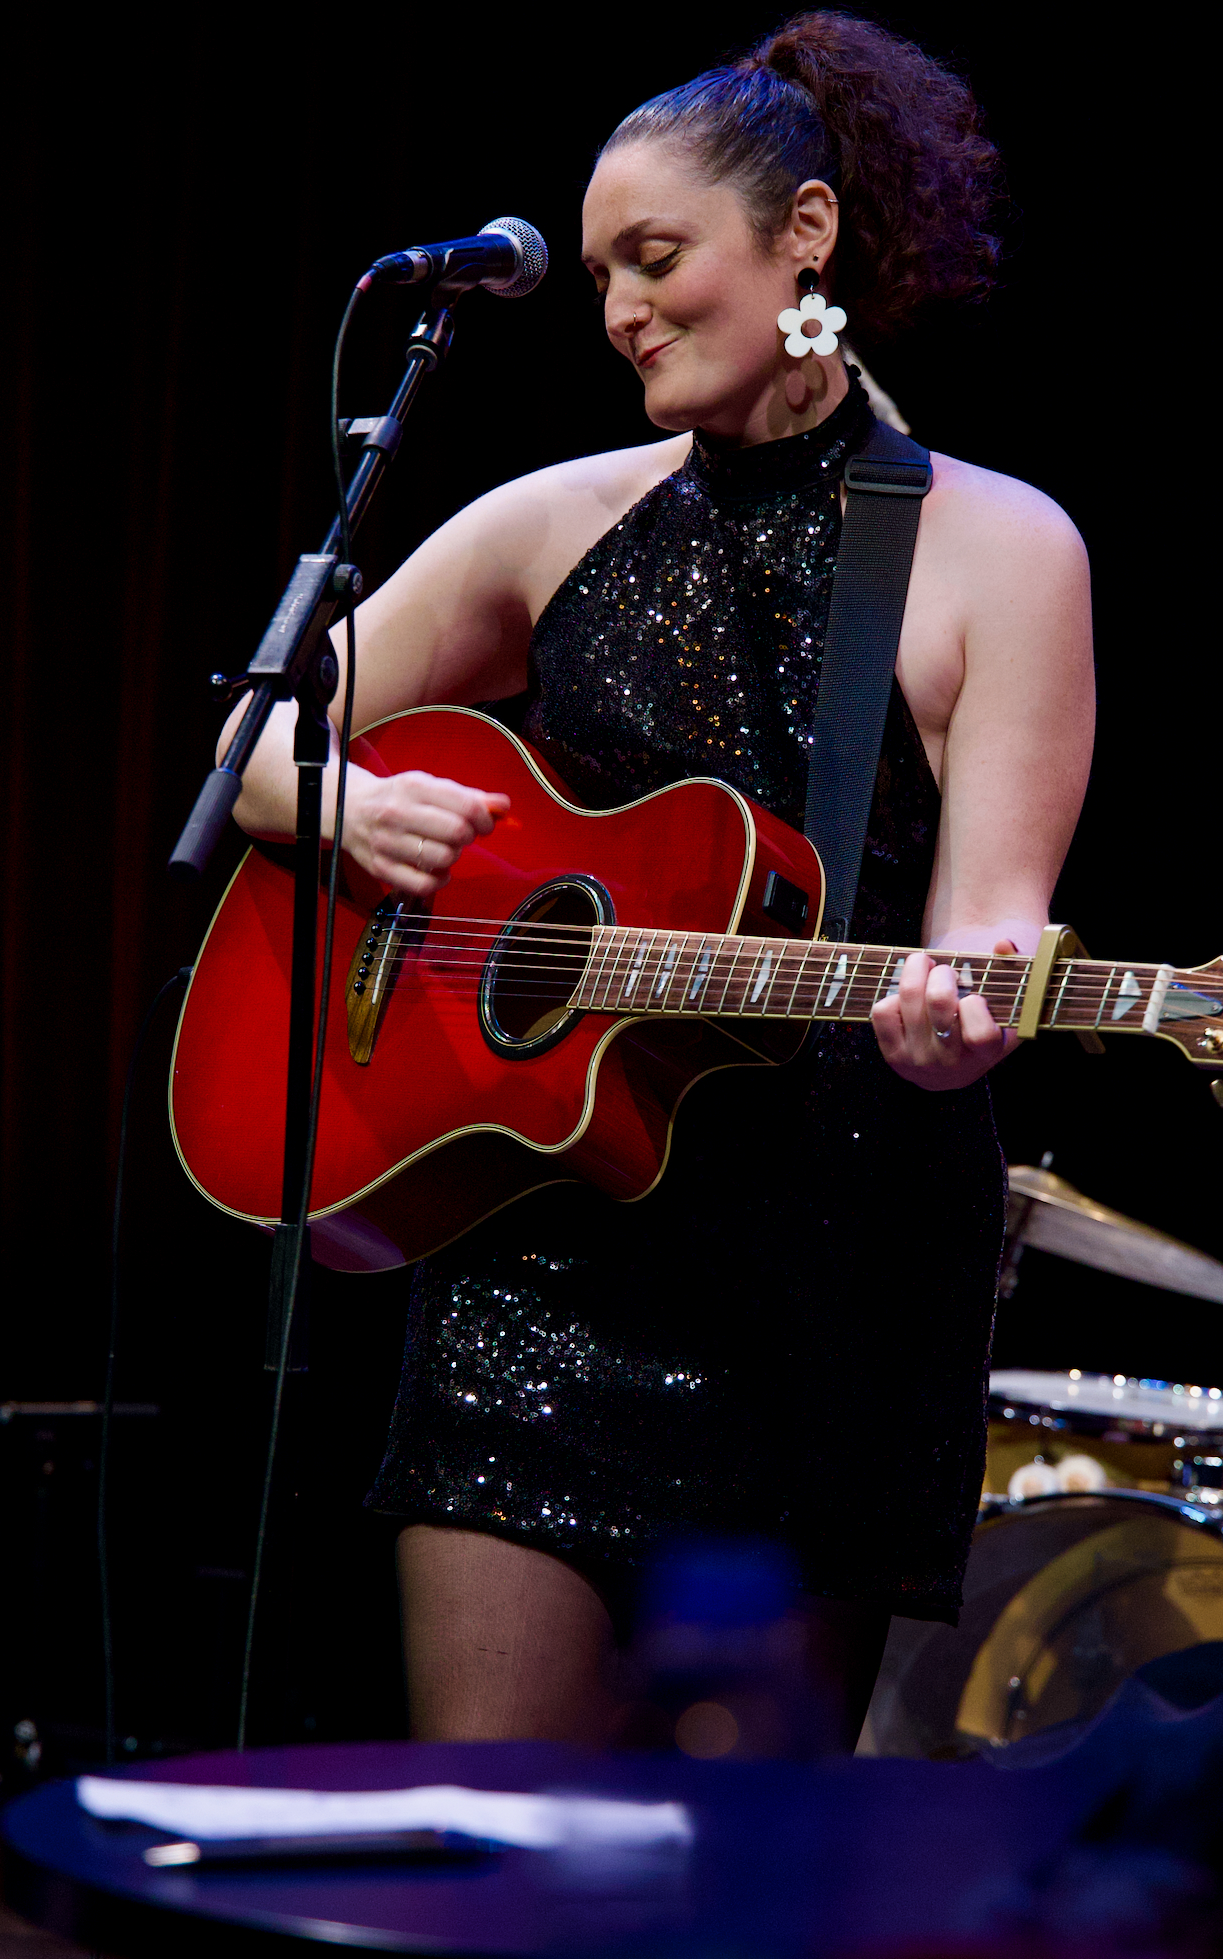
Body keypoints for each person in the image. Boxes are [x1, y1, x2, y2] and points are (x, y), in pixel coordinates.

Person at [222, 15, 1095, 1742]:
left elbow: (990, 924)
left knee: (720, 1910)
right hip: (545, 1255)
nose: (619, 308)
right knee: (490, 1858)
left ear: (810, 238)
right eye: (607, 272)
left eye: (656, 257)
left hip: (832, 1286)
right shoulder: (555, 518)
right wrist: (339, 813)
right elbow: (260, 740)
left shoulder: (1003, 549)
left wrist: (962, 1019)